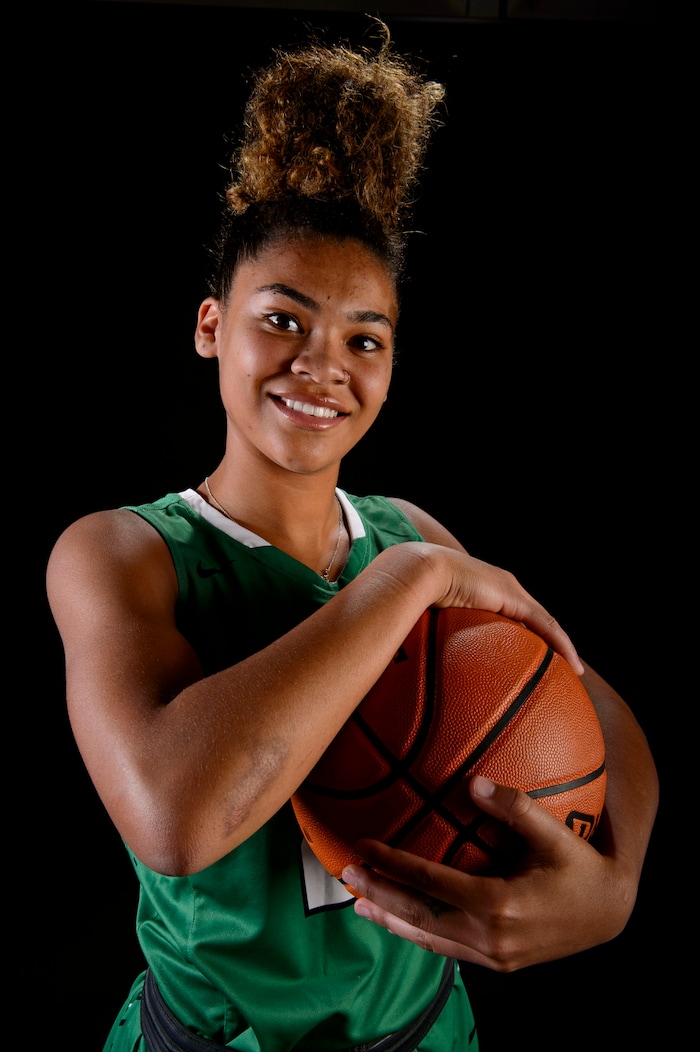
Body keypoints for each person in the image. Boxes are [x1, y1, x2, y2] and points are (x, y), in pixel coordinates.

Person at [46, 20, 658, 1052]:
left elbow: (594, 709)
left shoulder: (408, 531)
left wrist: (616, 883)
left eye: (363, 337)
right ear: (210, 326)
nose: (322, 364)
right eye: (281, 319)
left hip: (424, 1033)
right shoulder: (120, 552)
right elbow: (174, 815)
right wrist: (404, 584)